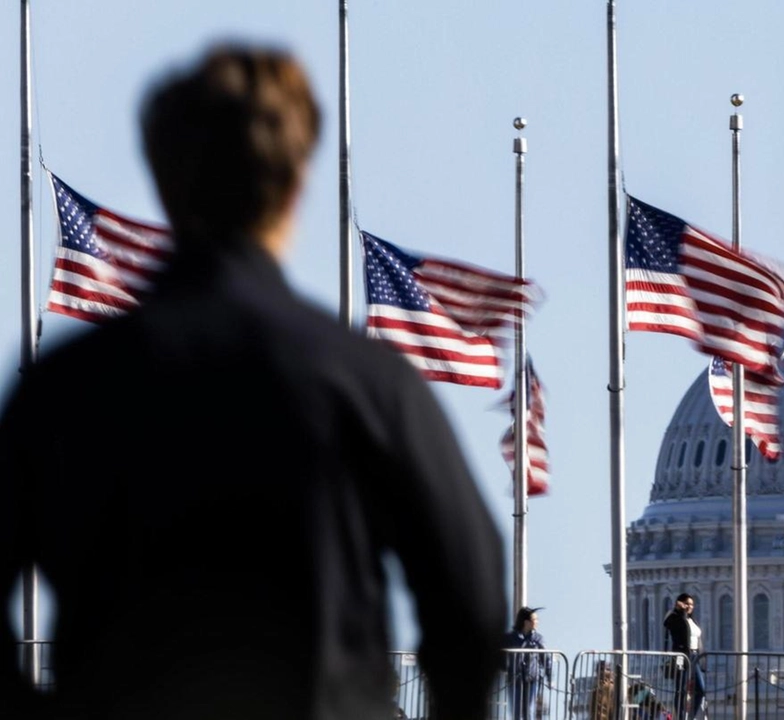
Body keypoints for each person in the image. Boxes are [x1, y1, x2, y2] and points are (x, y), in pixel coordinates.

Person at [0, 45, 506, 720]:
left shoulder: (67, 388)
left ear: (163, 179)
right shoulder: (368, 384)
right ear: (296, 183)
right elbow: (468, 587)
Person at [663, 594, 706, 720]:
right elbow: (668, 624)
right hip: (682, 656)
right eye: (687, 603)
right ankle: (681, 717)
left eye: (692, 604)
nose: (689, 607)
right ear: (679, 603)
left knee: (701, 689)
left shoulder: (692, 620)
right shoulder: (675, 617)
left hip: (694, 656)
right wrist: (680, 612)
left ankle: (690, 716)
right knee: (680, 689)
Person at [505, 607, 552, 720]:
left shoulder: (537, 639)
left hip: (531, 679)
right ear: (526, 622)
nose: (537, 622)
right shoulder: (511, 638)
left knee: (529, 711)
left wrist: (549, 677)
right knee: (516, 712)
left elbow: (545, 658)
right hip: (515, 679)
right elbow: (499, 654)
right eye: (534, 620)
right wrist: (504, 667)